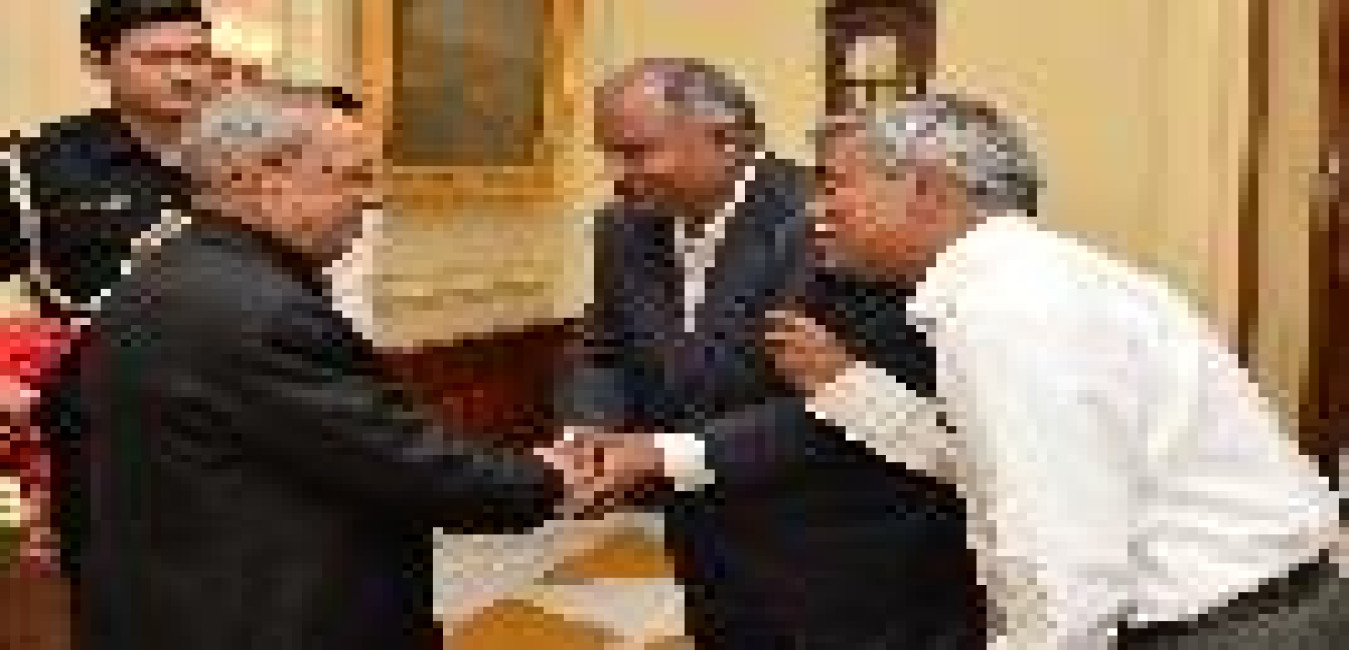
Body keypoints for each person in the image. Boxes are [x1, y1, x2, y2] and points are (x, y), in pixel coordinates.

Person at [767, 94, 1345, 648]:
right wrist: (849, 389)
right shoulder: (1027, 282)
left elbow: (1063, 567)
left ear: (925, 189)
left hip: (1228, 630)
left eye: (835, 184)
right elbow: (986, 462)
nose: (817, 209)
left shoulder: (1009, 308)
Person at [76, 89, 604, 650]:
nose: (369, 200)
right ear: (266, 177)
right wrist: (553, 479)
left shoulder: (165, 271)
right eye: (353, 178)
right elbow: (401, 461)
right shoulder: (266, 312)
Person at [556, 58, 984, 648]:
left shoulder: (839, 218)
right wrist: (590, 438)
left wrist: (662, 455)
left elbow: (850, 398)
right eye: (608, 154)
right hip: (706, 541)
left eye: (636, 153)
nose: (617, 176)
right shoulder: (620, 228)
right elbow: (604, 349)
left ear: (726, 139)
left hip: (840, 553)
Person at [0, 0, 229, 583]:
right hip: (104, 427)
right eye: (156, 58)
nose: (183, 74)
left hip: (239, 413)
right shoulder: (37, 168)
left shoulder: (249, 154)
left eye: (196, 56)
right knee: (118, 595)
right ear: (97, 62)